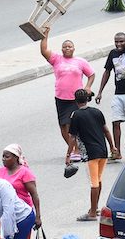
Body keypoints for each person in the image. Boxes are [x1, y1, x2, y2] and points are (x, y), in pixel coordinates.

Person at [40, 26, 95, 160]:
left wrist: (88, 87)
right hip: (61, 98)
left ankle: (79, 149)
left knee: (73, 125)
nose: (67, 48)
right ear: (62, 49)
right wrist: (45, 35)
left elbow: (91, 74)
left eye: (70, 46)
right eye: (65, 47)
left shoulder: (80, 62)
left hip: (76, 99)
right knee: (63, 126)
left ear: (74, 48)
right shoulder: (56, 59)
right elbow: (44, 51)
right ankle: (75, 148)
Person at [95, 13, 125, 160]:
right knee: (115, 122)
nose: (119, 44)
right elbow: (107, 72)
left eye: (121, 41)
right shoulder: (112, 54)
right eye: (116, 42)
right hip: (119, 94)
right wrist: (100, 92)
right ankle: (116, 152)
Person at [66, 89, 117, 221]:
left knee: (94, 182)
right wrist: (112, 146)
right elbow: (106, 131)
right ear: (88, 99)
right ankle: (94, 207)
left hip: (90, 154)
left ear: (75, 101)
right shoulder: (97, 112)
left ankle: (93, 213)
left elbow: (72, 137)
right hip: (103, 151)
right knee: (98, 179)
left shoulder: (75, 115)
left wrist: (68, 155)